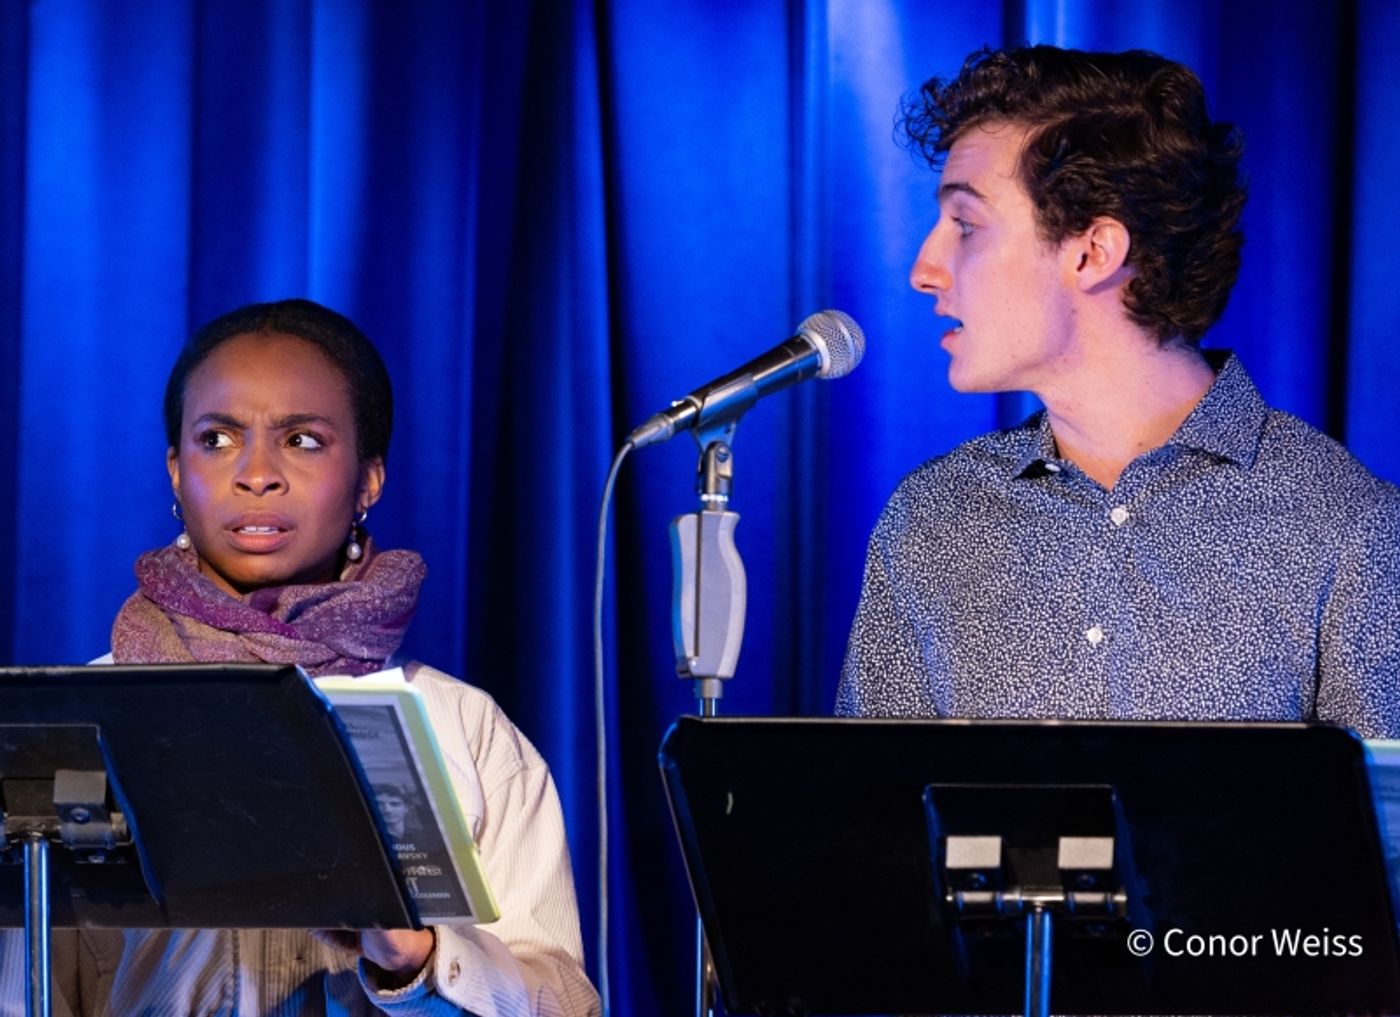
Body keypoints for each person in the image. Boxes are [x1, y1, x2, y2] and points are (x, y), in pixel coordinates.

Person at [20, 299, 600, 1015]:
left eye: (302, 440)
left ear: (369, 479)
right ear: (176, 470)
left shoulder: (469, 731)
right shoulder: (82, 721)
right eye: (217, 438)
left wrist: (419, 957)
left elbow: (569, 1003)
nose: (256, 472)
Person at [836, 45, 1400, 737]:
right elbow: (873, 825)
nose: (926, 268)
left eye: (966, 225)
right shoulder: (930, 520)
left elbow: (1384, 837)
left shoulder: (1344, 526)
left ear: (1093, 251)